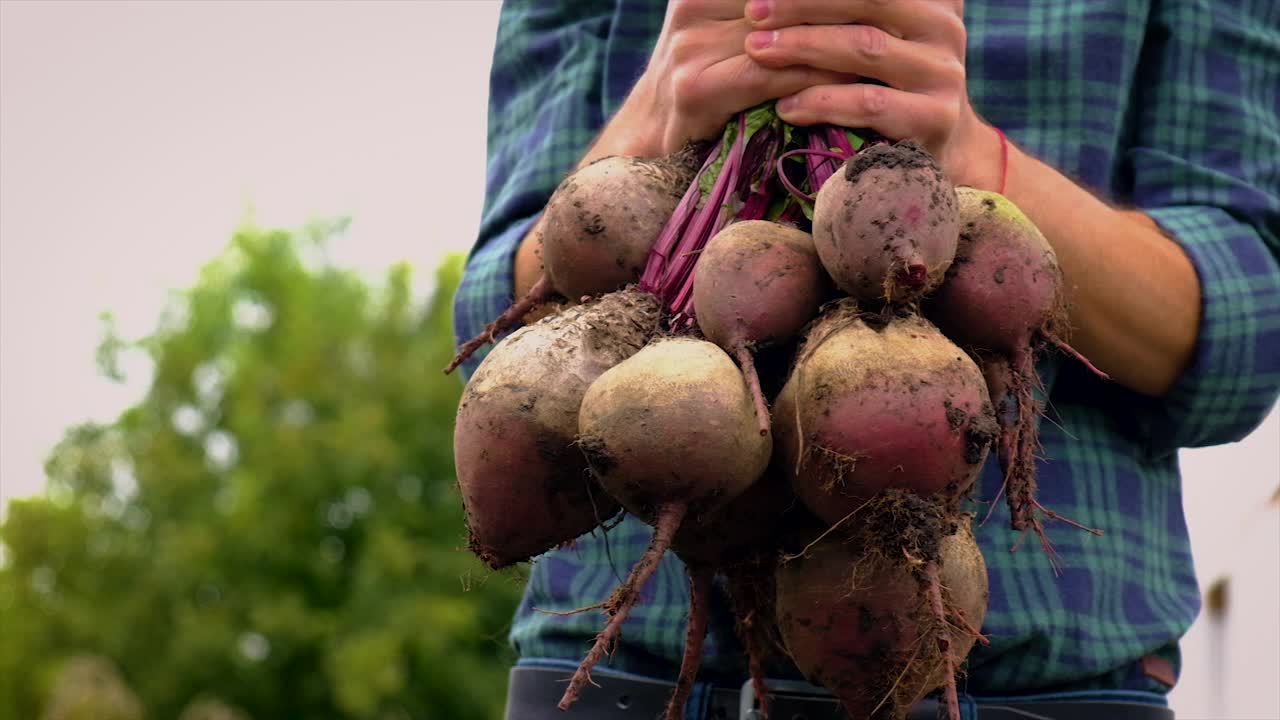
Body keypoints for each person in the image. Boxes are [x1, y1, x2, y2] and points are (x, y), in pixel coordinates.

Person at [452, 1, 1280, 718]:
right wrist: (658, 118)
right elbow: (495, 311)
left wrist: (965, 152)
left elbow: (1249, 344)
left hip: (1045, 693)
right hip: (616, 685)